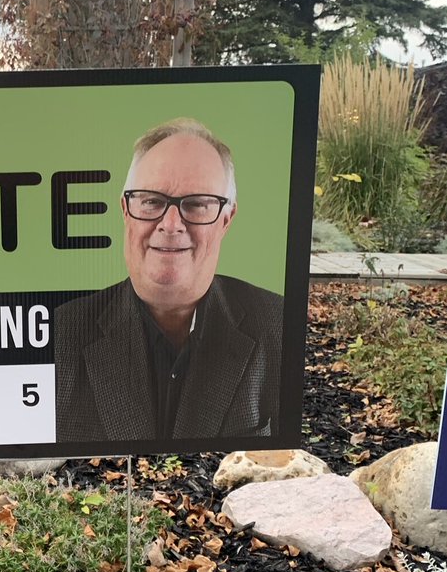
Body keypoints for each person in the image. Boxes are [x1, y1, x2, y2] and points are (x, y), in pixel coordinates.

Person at [54, 117, 283, 443]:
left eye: (197, 204)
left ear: (226, 220)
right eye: (151, 201)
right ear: (125, 210)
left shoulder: (279, 327)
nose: (171, 224)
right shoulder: (60, 334)